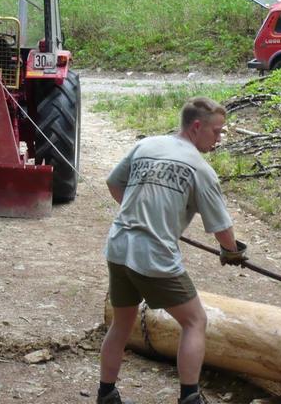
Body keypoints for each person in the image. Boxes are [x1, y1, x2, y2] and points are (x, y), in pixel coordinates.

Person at [98, 97, 247, 404]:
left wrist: (142, 215)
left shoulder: (147, 146)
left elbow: (115, 184)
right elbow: (222, 228)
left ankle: (106, 393)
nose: (218, 139)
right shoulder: (199, 168)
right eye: (216, 132)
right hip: (153, 257)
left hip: (119, 247)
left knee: (122, 322)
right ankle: (190, 397)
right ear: (196, 126)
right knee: (195, 321)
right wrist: (232, 252)